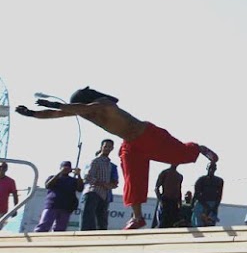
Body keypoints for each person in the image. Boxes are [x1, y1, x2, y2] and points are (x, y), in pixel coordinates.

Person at [15, 87, 218, 230]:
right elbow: (54, 114)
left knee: (180, 154)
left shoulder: (103, 104)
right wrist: (33, 114)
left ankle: (197, 148)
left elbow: (81, 108)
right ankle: (137, 218)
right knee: (132, 179)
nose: (78, 110)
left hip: (147, 135)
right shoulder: (85, 112)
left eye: (76, 105)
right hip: (130, 145)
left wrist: (58, 104)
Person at [81, 139, 119, 231]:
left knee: (102, 221)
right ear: (101, 147)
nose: (107, 148)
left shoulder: (109, 164)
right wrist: (102, 184)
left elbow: (114, 182)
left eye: (109, 147)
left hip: (104, 195)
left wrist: (110, 185)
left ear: (112, 149)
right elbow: (87, 177)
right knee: (88, 220)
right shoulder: (95, 161)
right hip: (93, 192)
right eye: (105, 146)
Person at [36, 161, 80, 232]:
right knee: (43, 226)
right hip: (52, 205)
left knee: (60, 229)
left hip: (66, 207)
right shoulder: (52, 177)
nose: (66, 169)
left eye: (68, 168)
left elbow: (80, 188)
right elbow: (48, 185)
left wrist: (78, 175)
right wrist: (60, 173)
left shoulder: (73, 180)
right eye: (64, 168)